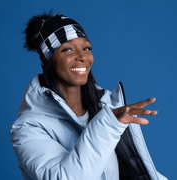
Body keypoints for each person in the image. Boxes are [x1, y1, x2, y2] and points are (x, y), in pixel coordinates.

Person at [10, 11, 168, 180]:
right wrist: (107, 125)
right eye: (68, 49)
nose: (82, 57)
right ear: (48, 59)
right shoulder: (28, 128)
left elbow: (133, 171)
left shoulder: (106, 108)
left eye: (86, 48)